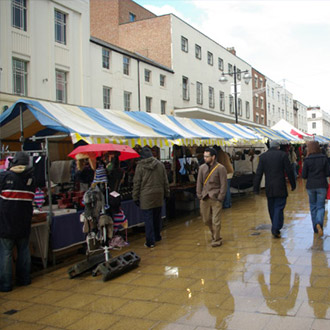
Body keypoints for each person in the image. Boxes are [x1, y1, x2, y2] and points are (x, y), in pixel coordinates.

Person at [0, 151, 35, 292]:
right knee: (23, 250)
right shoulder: (31, 179)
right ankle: (25, 279)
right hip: (24, 222)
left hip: (6, 223)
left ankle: (6, 285)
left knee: (6, 252)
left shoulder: (4, 176)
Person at [254, 140, 296, 238]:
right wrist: (293, 184)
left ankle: (275, 225)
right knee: (279, 207)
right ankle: (276, 228)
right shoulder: (283, 155)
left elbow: (258, 173)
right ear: (278, 147)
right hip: (280, 186)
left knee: (272, 207)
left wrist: (256, 188)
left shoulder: (263, 157)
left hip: (269, 187)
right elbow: (289, 170)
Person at [133, 146, 170, 248]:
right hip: (158, 194)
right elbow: (165, 181)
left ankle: (150, 241)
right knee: (157, 217)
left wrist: (135, 196)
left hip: (146, 196)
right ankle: (157, 236)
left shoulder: (140, 166)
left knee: (148, 219)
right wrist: (167, 193)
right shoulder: (160, 165)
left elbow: (137, 183)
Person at [196, 147, 227, 247]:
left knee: (216, 220)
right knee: (206, 220)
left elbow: (223, 184)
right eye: (204, 156)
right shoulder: (202, 168)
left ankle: (217, 239)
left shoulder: (220, 168)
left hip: (216, 197)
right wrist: (199, 194)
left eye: (207, 156)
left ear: (213, 157)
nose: (205, 158)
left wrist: (220, 197)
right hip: (204, 197)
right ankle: (214, 234)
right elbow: (199, 182)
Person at [302, 141, 330, 237]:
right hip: (322, 184)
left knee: (313, 206)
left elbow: (304, 175)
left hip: (311, 185)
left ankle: (315, 227)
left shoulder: (307, 160)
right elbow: (328, 172)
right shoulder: (324, 158)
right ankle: (319, 223)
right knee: (321, 206)